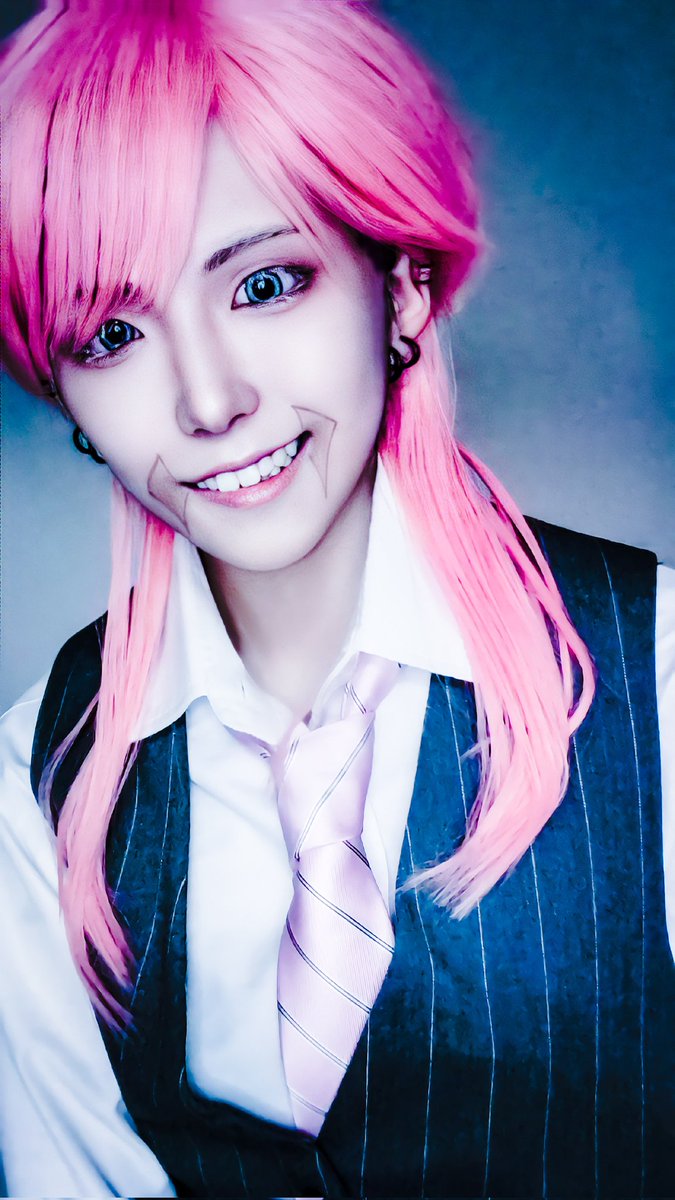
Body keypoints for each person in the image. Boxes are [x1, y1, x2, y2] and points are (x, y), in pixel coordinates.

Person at [0, 1, 673, 1197]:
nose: (209, 400)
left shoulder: (659, 676)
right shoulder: (32, 779)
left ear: (402, 287)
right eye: (110, 334)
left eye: (265, 283)